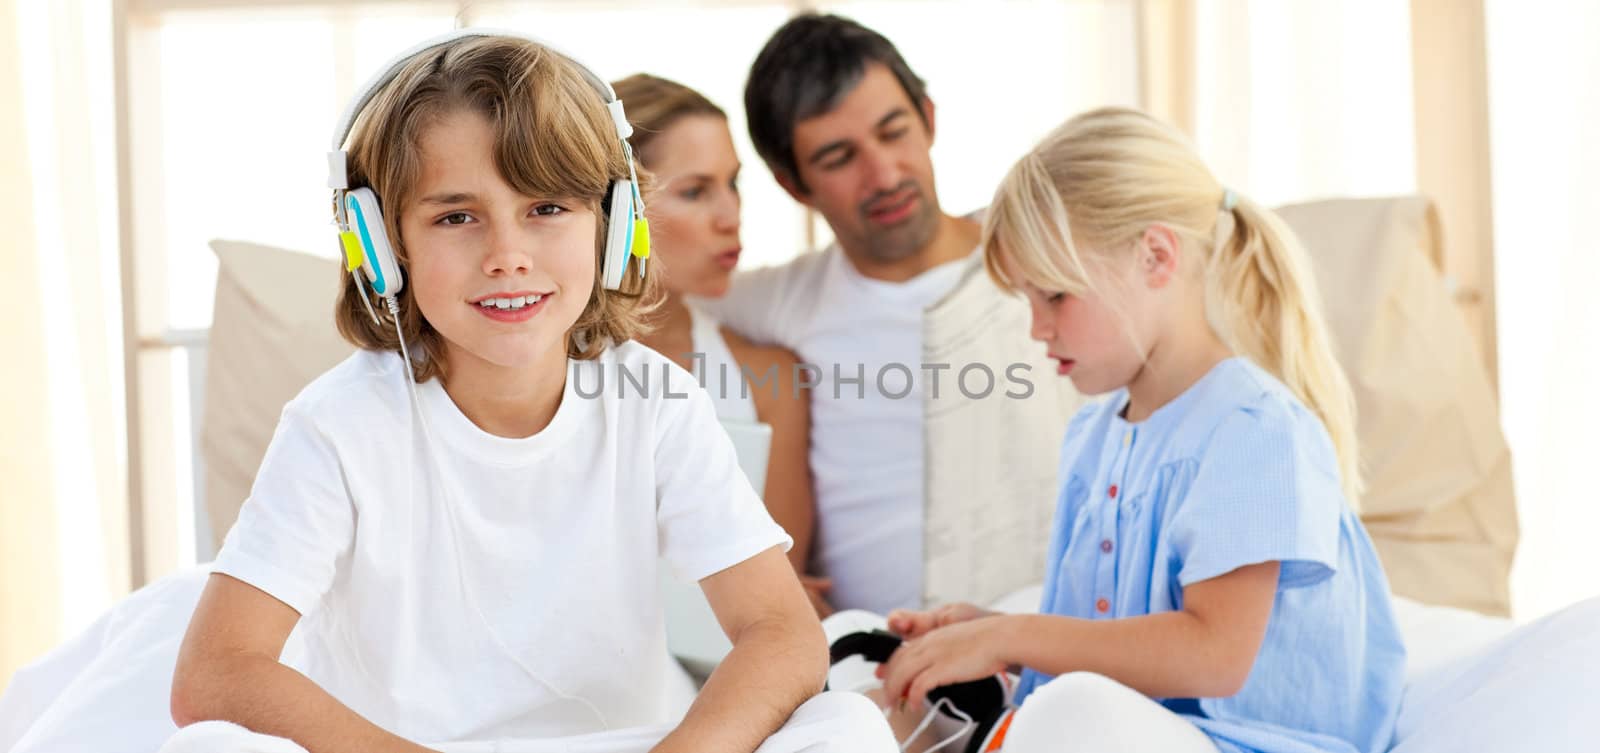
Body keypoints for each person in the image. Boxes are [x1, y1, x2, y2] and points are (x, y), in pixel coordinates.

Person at [162, 31, 894, 753]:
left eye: (546, 208)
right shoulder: (337, 424)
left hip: (628, 744)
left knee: (851, 726)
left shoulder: (657, 402)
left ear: (614, 226)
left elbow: (782, 631)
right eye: (456, 216)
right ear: (384, 248)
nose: (507, 256)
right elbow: (216, 672)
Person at [870, 107, 1406, 753]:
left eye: (1055, 296)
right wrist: (983, 634)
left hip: (1247, 742)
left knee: (1070, 718)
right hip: (1125, 729)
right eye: (1027, 302)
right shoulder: (1094, 435)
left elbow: (1214, 654)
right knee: (861, 656)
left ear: (1156, 256)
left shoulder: (1253, 429)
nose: (1037, 327)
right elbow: (1102, 643)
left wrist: (1010, 636)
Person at [693, 12, 992, 616]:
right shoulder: (777, 303)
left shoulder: (1038, 258)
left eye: (894, 131)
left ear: (928, 119)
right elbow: (632, 300)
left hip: (1046, 639)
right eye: (838, 157)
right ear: (794, 184)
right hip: (870, 664)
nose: (884, 175)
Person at [609, 73, 827, 615]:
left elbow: (784, 596)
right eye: (695, 191)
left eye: (733, 184)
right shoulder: (533, 371)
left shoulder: (769, 377)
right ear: (615, 205)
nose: (731, 216)